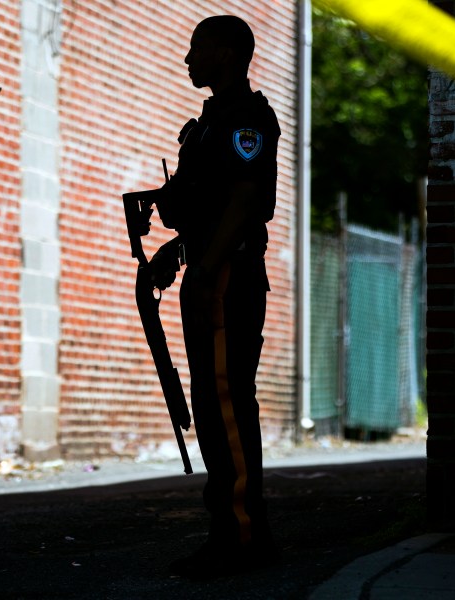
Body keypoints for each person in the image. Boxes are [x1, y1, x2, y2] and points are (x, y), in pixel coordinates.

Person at [145, 15, 282, 579]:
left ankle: (241, 537)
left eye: (197, 49)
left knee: (225, 404)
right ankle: (229, 529)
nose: (187, 59)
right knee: (211, 402)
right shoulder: (206, 124)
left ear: (226, 54)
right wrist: (177, 251)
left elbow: (247, 198)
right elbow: (208, 205)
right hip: (206, 268)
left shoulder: (246, 117)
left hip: (225, 278)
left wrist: (204, 271)